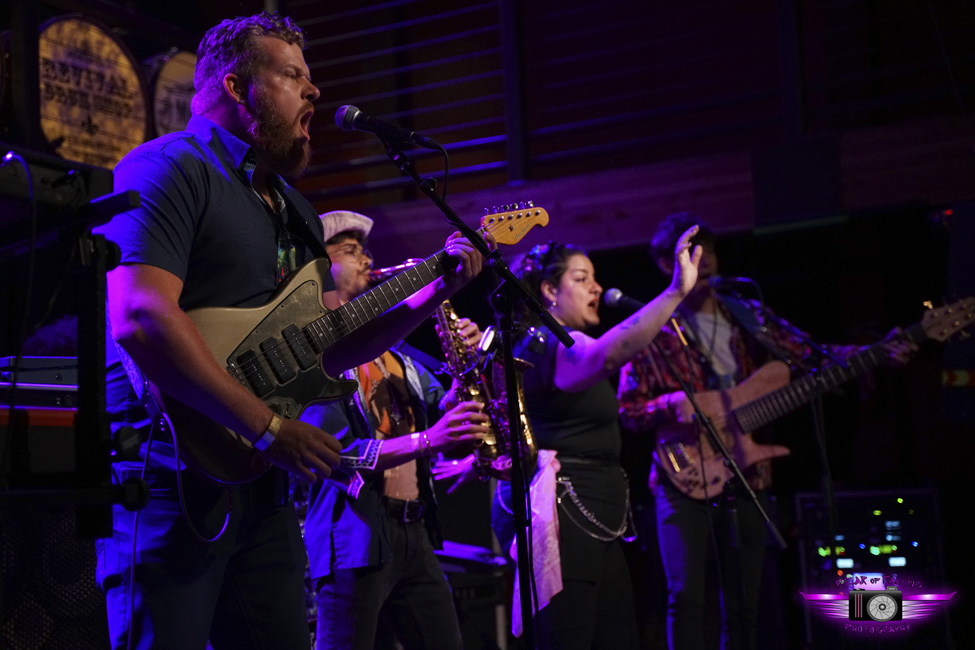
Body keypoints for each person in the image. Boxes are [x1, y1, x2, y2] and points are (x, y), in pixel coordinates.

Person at [93, 12, 487, 649]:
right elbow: (140, 316)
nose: (315, 91)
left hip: (264, 488)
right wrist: (270, 426)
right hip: (169, 479)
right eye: (293, 74)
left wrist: (435, 292)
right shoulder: (168, 166)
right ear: (236, 87)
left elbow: (327, 345)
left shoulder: (293, 206)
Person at [617, 212, 916, 650]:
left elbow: (811, 355)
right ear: (667, 264)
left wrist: (876, 352)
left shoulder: (745, 312)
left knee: (743, 600)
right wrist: (673, 404)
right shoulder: (654, 326)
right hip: (682, 475)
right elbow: (628, 409)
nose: (707, 260)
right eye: (692, 253)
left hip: (746, 475)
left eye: (711, 250)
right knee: (686, 597)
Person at [489, 226, 703, 649]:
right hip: (568, 513)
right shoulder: (544, 344)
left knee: (617, 635)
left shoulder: (561, 344)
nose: (597, 287)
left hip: (598, 513)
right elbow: (606, 353)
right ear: (549, 289)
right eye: (581, 278)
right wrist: (675, 292)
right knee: (569, 636)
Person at [297, 210, 490, 649]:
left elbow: (439, 408)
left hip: (415, 533)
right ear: (320, 268)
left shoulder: (396, 354)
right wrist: (431, 439)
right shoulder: (317, 354)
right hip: (355, 536)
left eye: (365, 249)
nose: (366, 258)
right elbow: (340, 456)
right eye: (349, 250)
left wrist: (466, 368)